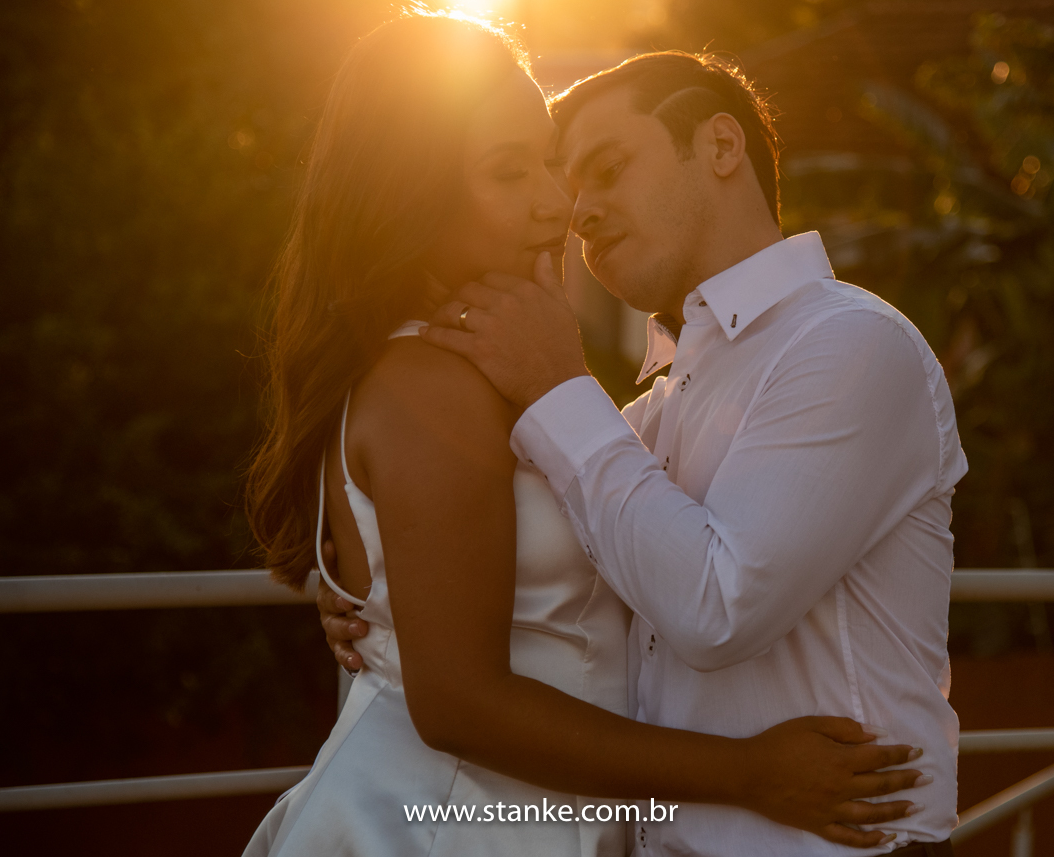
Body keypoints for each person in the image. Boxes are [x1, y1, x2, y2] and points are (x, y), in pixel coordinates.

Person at [249, 12, 924, 857]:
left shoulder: (835, 346)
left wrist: (393, 590)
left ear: (720, 148)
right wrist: (746, 772)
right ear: (411, 190)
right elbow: (456, 696)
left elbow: (680, 575)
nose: (563, 205)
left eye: (592, 169)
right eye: (514, 170)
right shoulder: (450, 386)